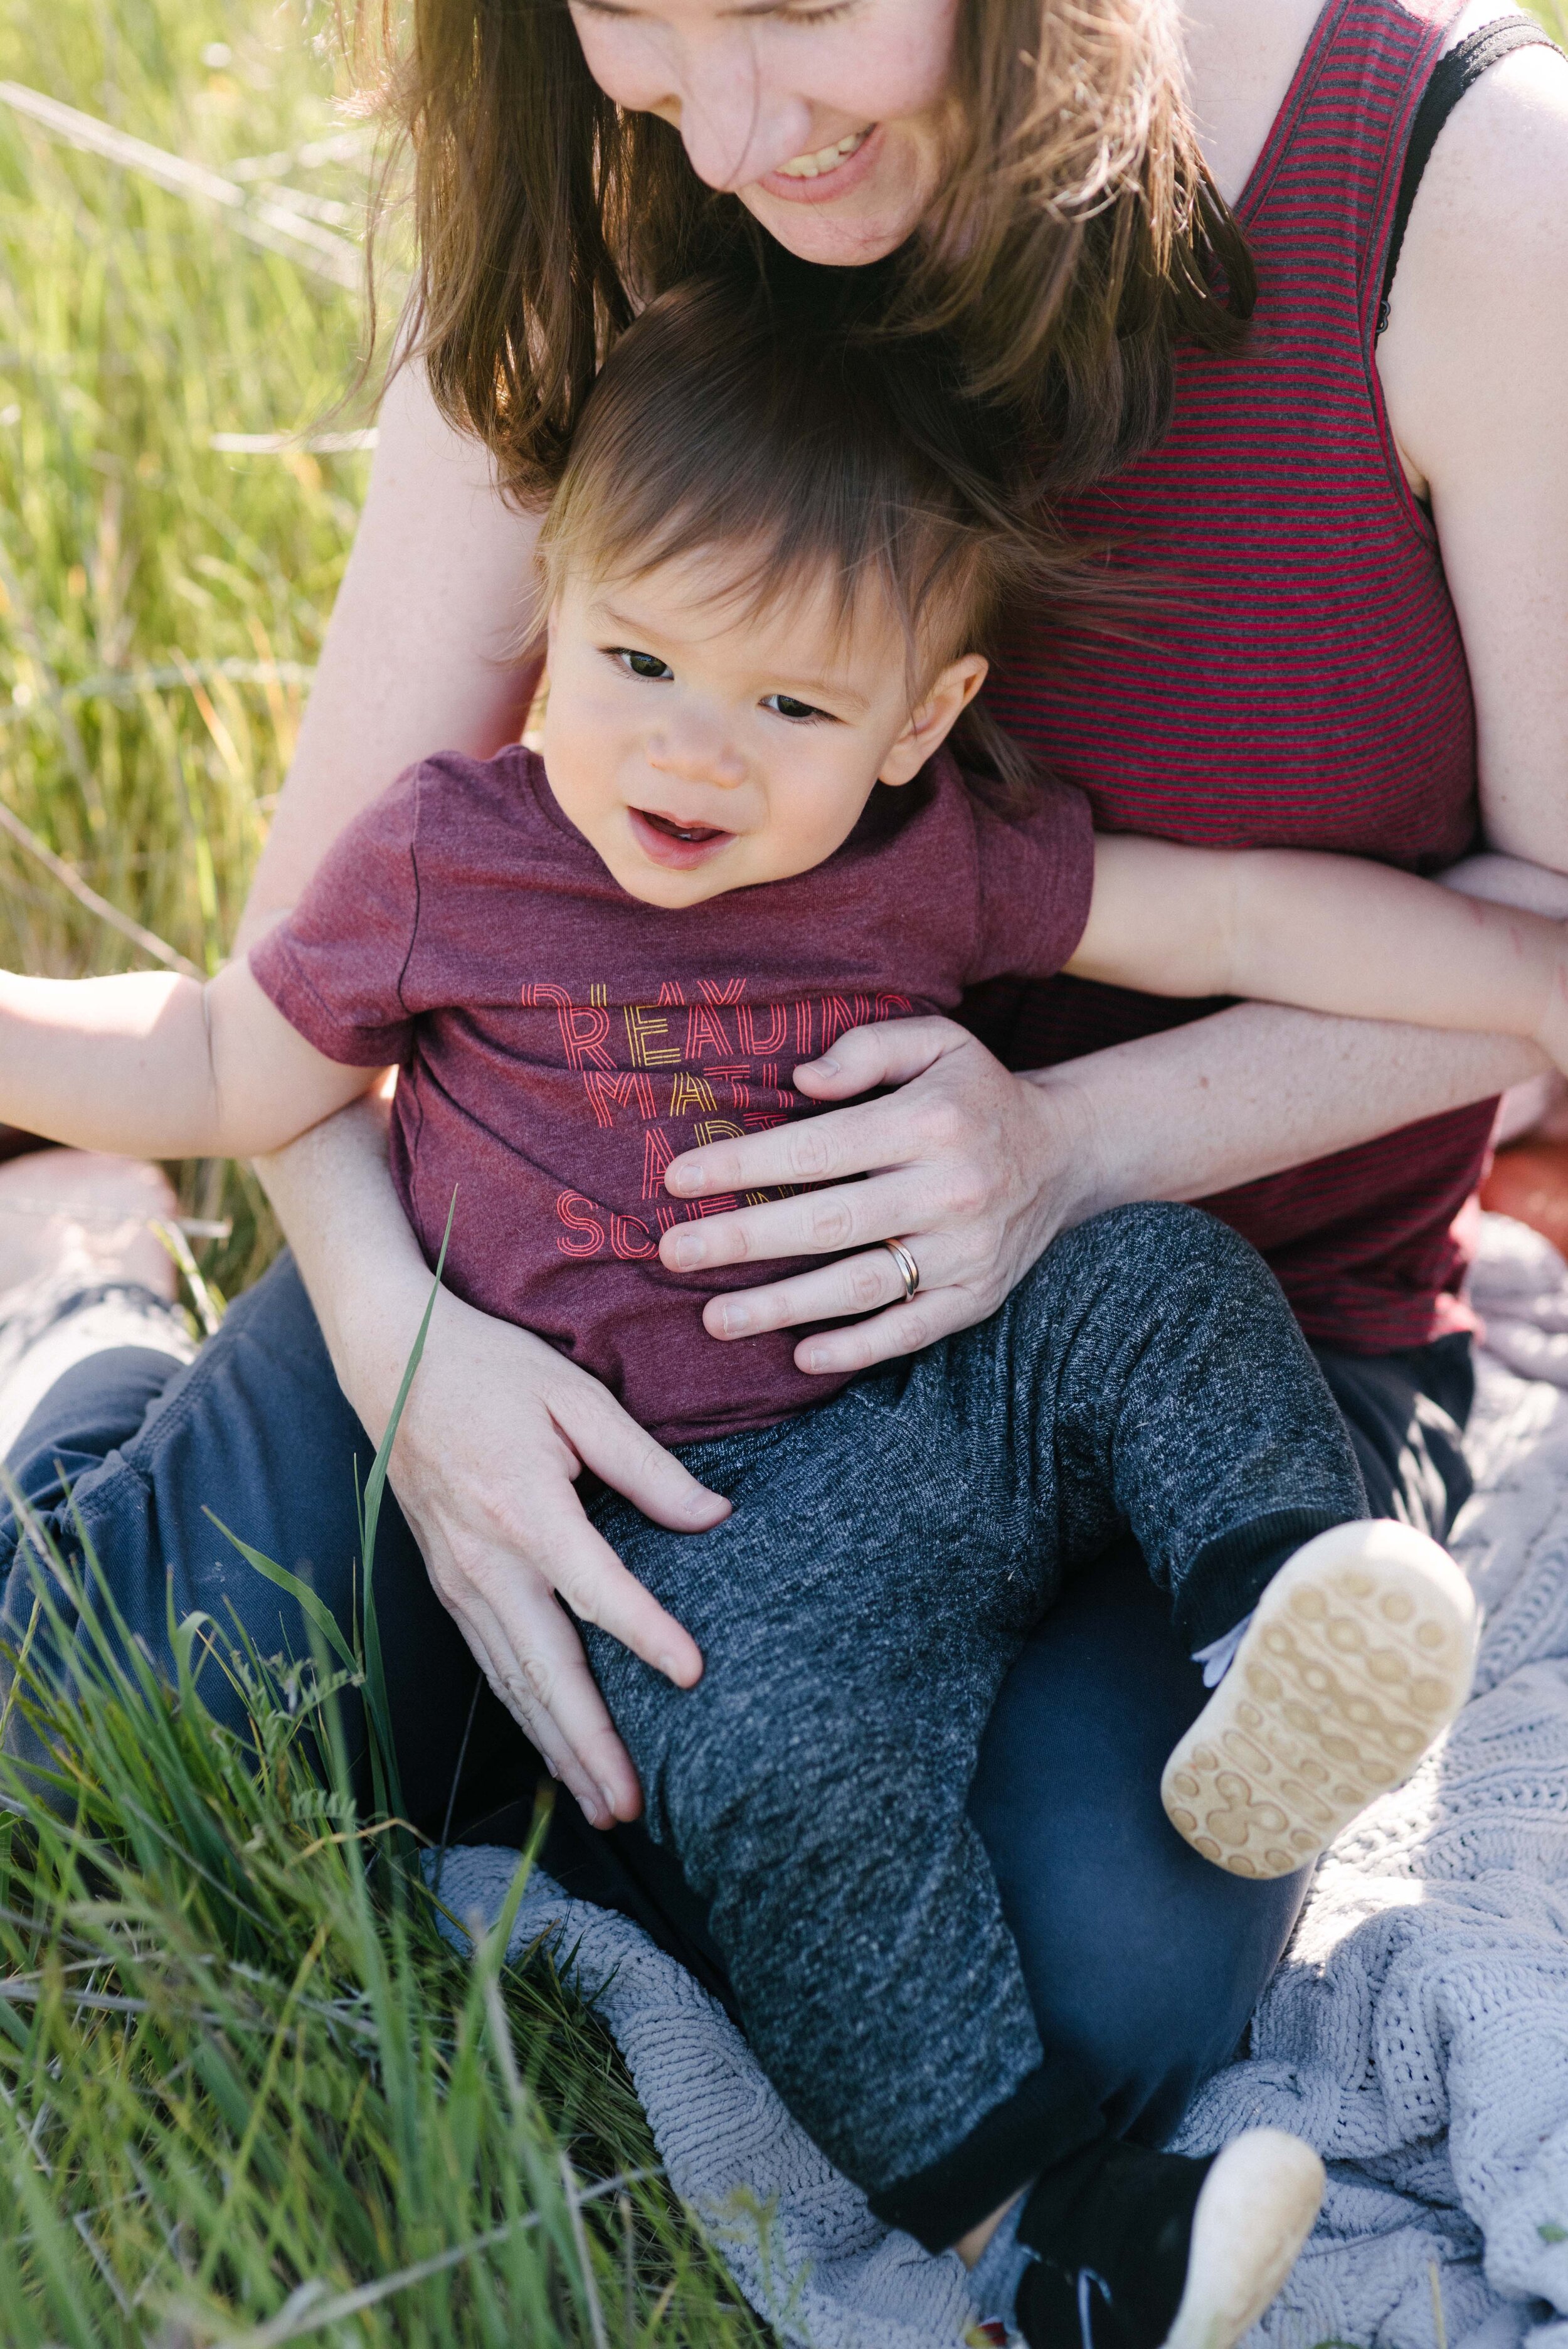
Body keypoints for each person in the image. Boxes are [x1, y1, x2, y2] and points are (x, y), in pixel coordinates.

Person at [2, 0, 1565, 2318]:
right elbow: (294, 999)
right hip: (566, 1294)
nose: (727, 134)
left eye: (798, 5)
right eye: (629, 11)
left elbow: (1537, 955)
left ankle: (1215, 1655)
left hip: (1161, 1340)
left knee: (1104, 1992)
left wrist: (1062, 1145)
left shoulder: (1470, 198)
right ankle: (71, 1289)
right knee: (132, 1701)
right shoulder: (601, 192)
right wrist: (410, 1353)